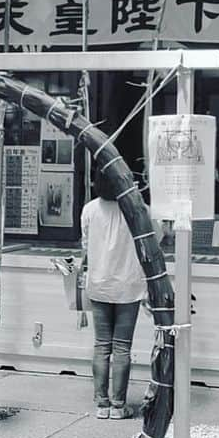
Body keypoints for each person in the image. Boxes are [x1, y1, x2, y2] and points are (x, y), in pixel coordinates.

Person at [82, 166, 146, 419]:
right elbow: (157, 235)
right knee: (122, 348)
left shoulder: (89, 209)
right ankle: (119, 405)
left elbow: (85, 245)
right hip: (128, 285)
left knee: (101, 346)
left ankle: (102, 404)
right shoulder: (136, 208)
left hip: (99, 284)